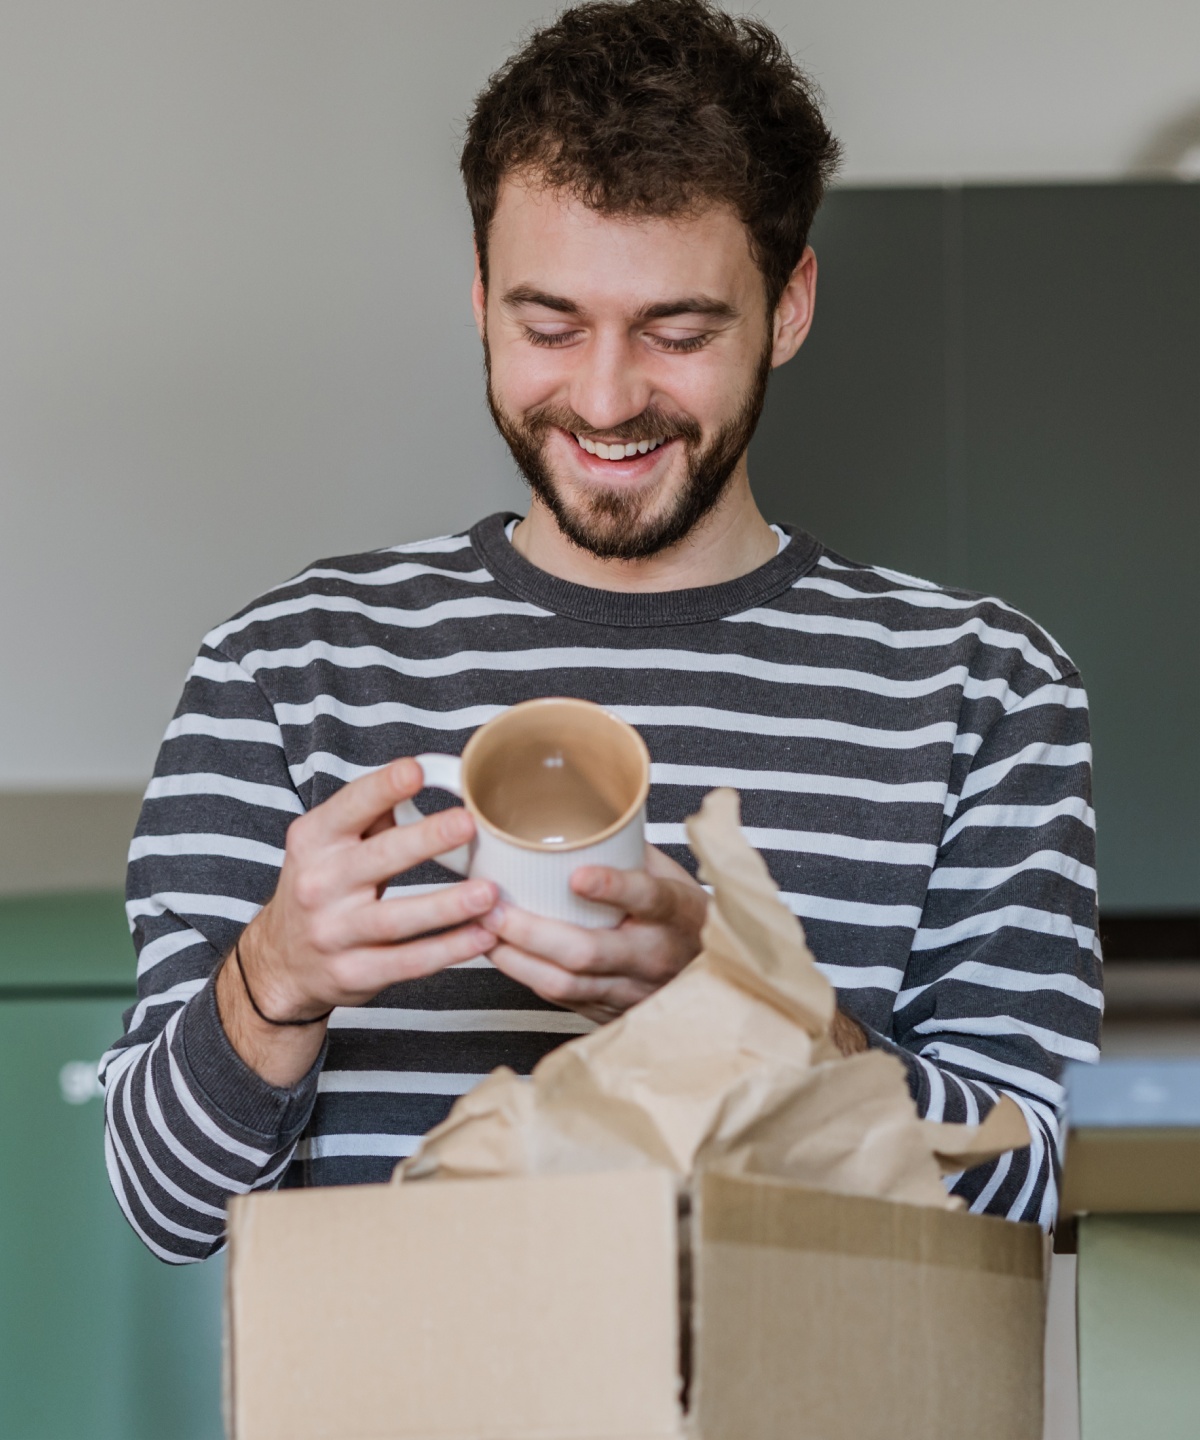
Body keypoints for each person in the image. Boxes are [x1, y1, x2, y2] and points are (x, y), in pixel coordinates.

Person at [102, 0, 1100, 1263]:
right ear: (477, 296)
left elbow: (1015, 1200)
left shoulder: (981, 690)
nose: (607, 396)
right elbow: (163, 1207)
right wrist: (275, 978)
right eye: (549, 325)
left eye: (678, 332)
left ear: (789, 306)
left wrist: (741, 1004)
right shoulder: (286, 672)